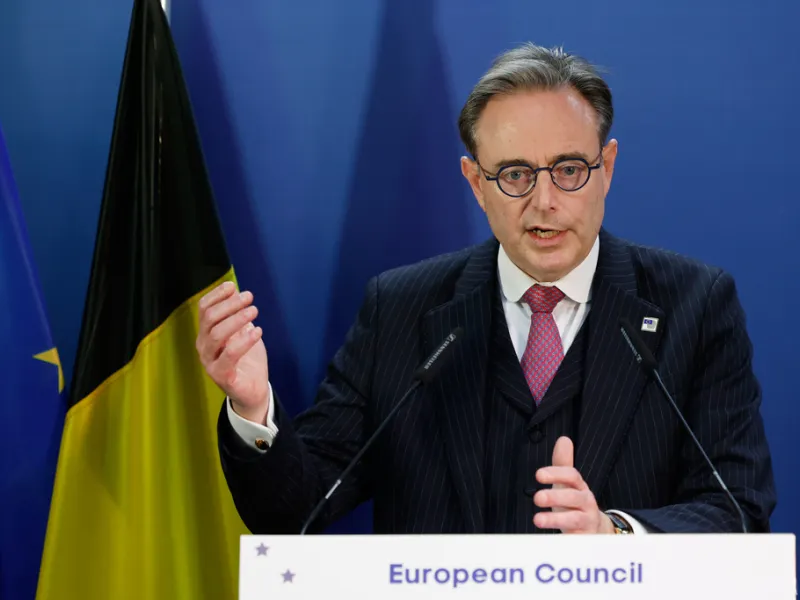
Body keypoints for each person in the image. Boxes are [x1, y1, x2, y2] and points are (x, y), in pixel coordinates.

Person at [196, 43, 776, 535]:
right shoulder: (399, 310)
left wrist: (615, 534)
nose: (544, 202)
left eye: (569, 170)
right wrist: (253, 407)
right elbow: (297, 511)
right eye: (516, 175)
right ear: (475, 183)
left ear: (607, 167)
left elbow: (739, 510)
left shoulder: (695, 305)